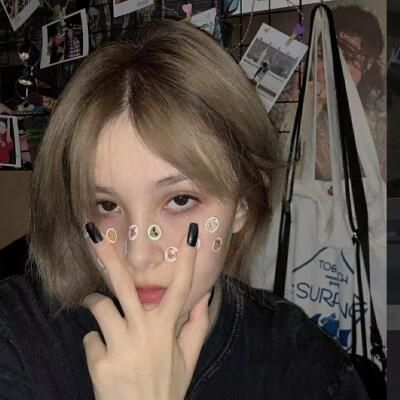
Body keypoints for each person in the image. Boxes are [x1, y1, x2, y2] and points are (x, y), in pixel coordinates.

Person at [0, 20, 369, 399]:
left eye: (180, 200)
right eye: (106, 205)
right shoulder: (15, 340)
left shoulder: (305, 371)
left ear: (243, 202)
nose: (139, 255)